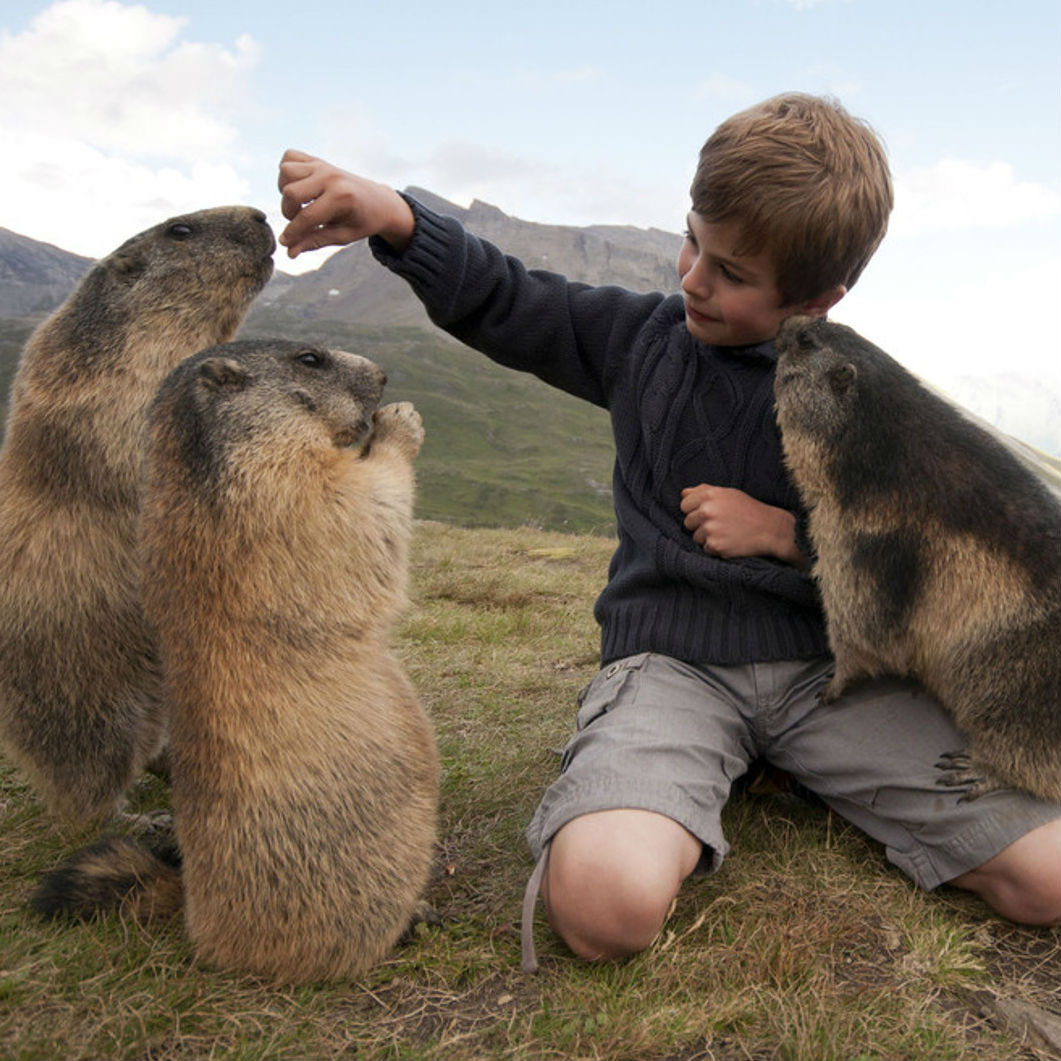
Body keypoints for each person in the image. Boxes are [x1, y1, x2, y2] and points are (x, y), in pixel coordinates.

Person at [276, 93, 1061, 965]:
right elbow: (508, 297)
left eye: (730, 272)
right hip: (674, 669)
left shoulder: (862, 405)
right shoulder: (637, 340)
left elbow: (931, 573)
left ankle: (793, 767)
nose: (691, 277)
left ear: (817, 298)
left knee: (1049, 879)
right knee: (603, 908)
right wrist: (394, 218)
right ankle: (703, 772)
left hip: (830, 679)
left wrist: (787, 536)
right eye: (692, 241)